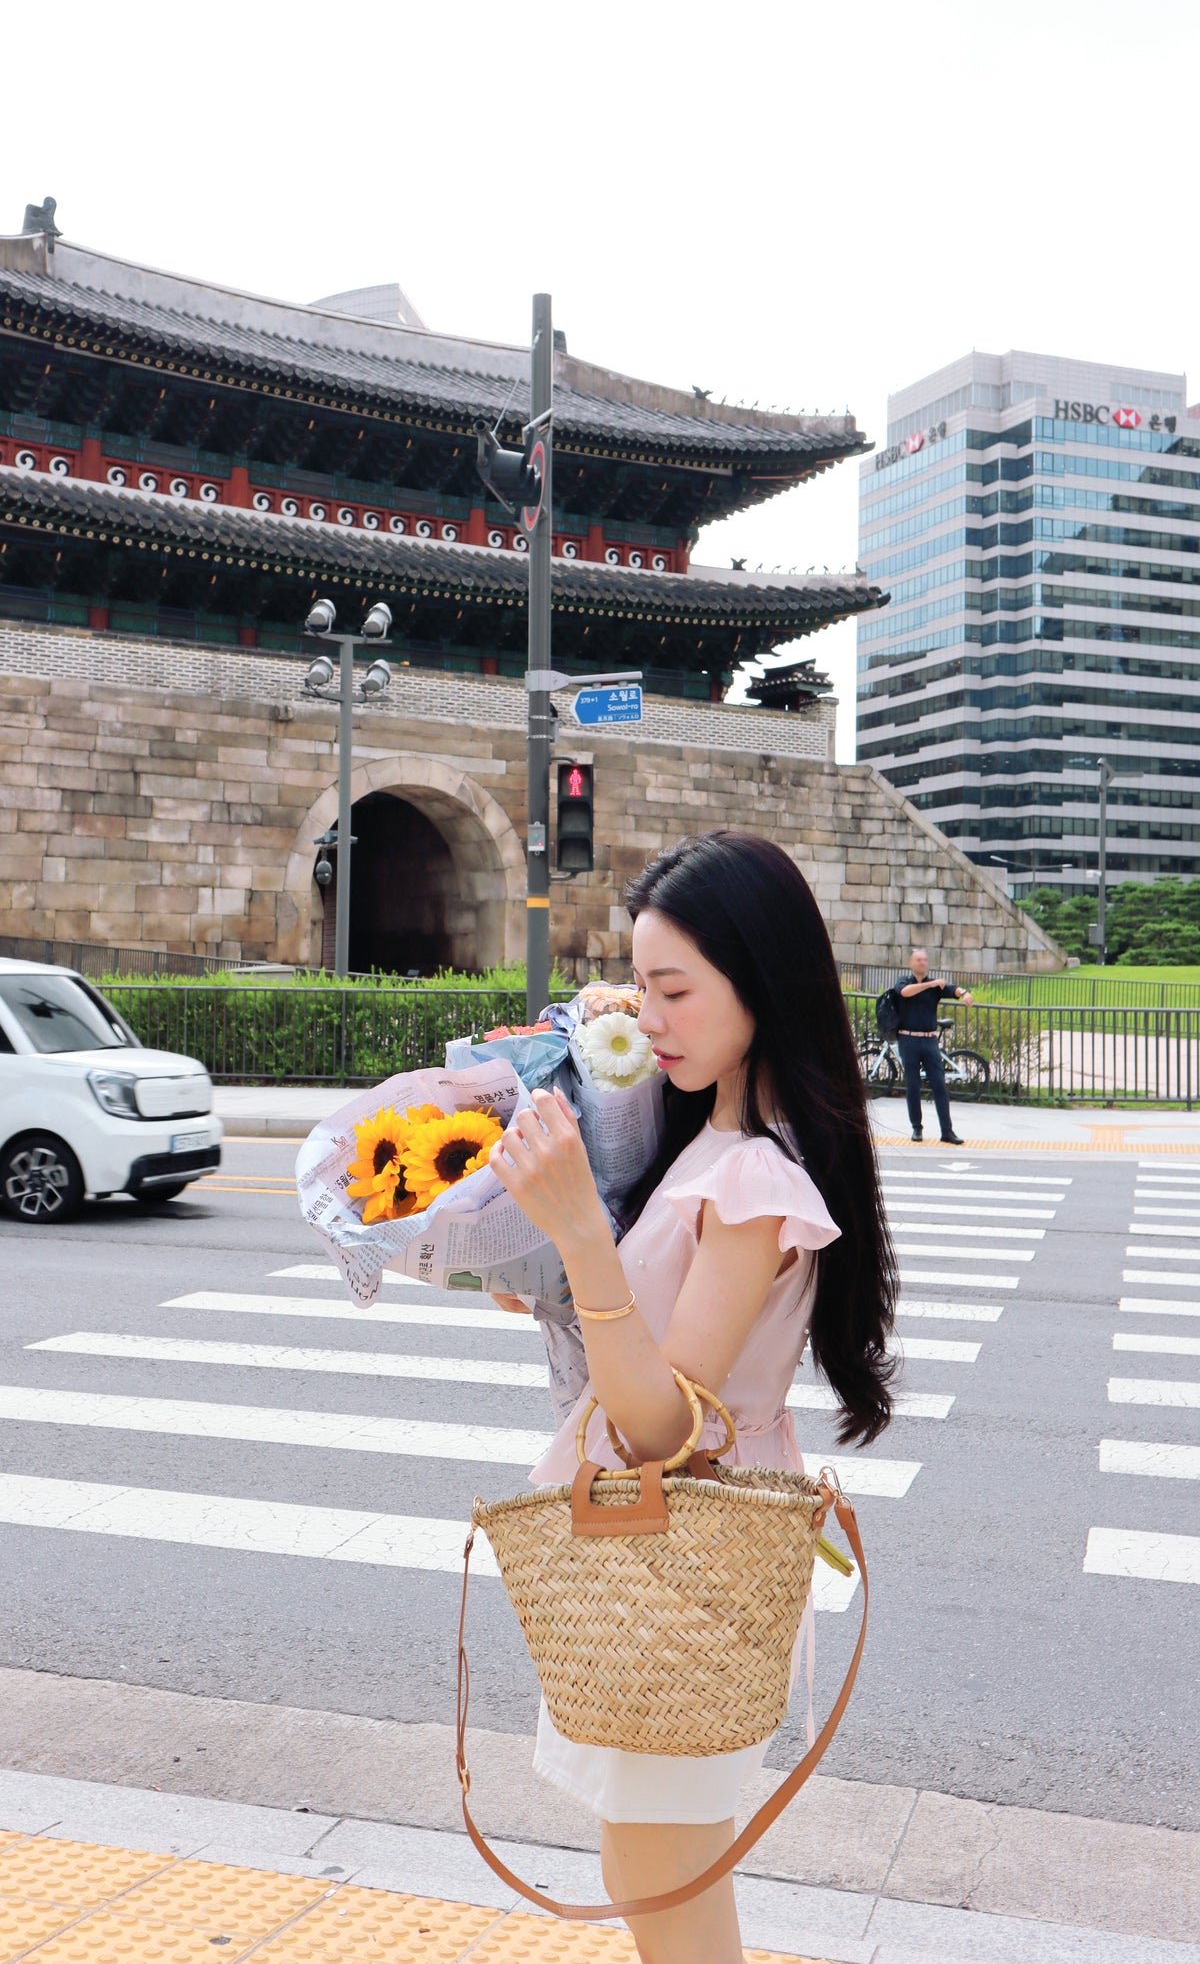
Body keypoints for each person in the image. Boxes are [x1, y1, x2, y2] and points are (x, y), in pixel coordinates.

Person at [492, 831, 898, 1964]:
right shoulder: (707, 1135)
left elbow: (661, 1426)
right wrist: (558, 1278)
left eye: (674, 989)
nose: (650, 1016)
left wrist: (579, 1234)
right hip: (662, 1551)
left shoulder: (757, 1177)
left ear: (758, 984)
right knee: (647, 1862)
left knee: (665, 1872)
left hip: (684, 1547)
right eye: (640, 984)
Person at [894, 946, 974, 1144]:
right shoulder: (905, 981)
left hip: (929, 1040)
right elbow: (904, 993)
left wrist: (964, 993)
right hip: (908, 1039)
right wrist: (930, 986)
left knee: (939, 1085)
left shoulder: (935, 984)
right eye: (918, 960)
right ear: (911, 963)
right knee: (913, 1085)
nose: (922, 963)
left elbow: (951, 989)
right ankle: (917, 1128)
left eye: (924, 960)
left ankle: (946, 1130)